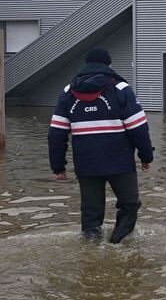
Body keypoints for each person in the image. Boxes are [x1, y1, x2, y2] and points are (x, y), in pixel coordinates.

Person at [48, 48, 154, 243]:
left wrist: (58, 166)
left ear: (86, 65)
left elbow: (56, 133)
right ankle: (117, 245)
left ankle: (91, 250)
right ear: (109, 65)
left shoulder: (67, 92)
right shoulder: (121, 89)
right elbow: (138, 128)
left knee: (91, 212)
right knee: (129, 205)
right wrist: (146, 157)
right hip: (120, 163)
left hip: (86, 163)